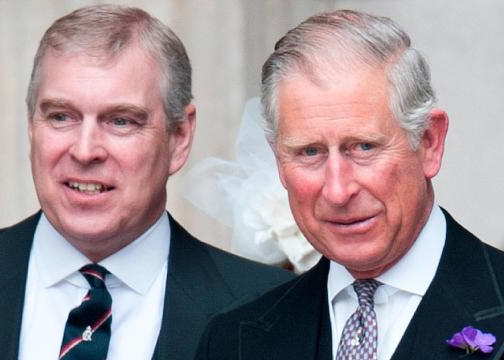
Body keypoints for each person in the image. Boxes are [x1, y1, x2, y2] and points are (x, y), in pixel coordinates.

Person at [0, 5, 291, 360]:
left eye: (121, 121)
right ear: (32, 125)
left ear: (179, 137)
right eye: (61, 117)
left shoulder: (274, 311)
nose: (85, 150)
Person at [196, 9, 504, 360]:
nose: (337, 191)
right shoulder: (232, 341)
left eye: (364, 147)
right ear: (278, 159)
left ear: (430, 142)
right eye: (309, 152)